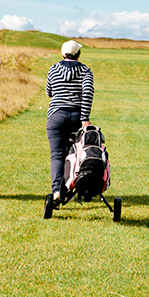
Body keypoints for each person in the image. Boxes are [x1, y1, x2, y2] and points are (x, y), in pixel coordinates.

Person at [45, 40, 94, 206]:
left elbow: (49, 91)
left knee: (57, 155)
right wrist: (85, 118)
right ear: (78, 54)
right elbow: (87, 95)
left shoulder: (53, 68)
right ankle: (77, 186)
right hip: (77, 117)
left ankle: (57, 190)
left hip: (56, 116)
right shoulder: (85, 71)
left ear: (62, 53)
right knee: (77, 154)